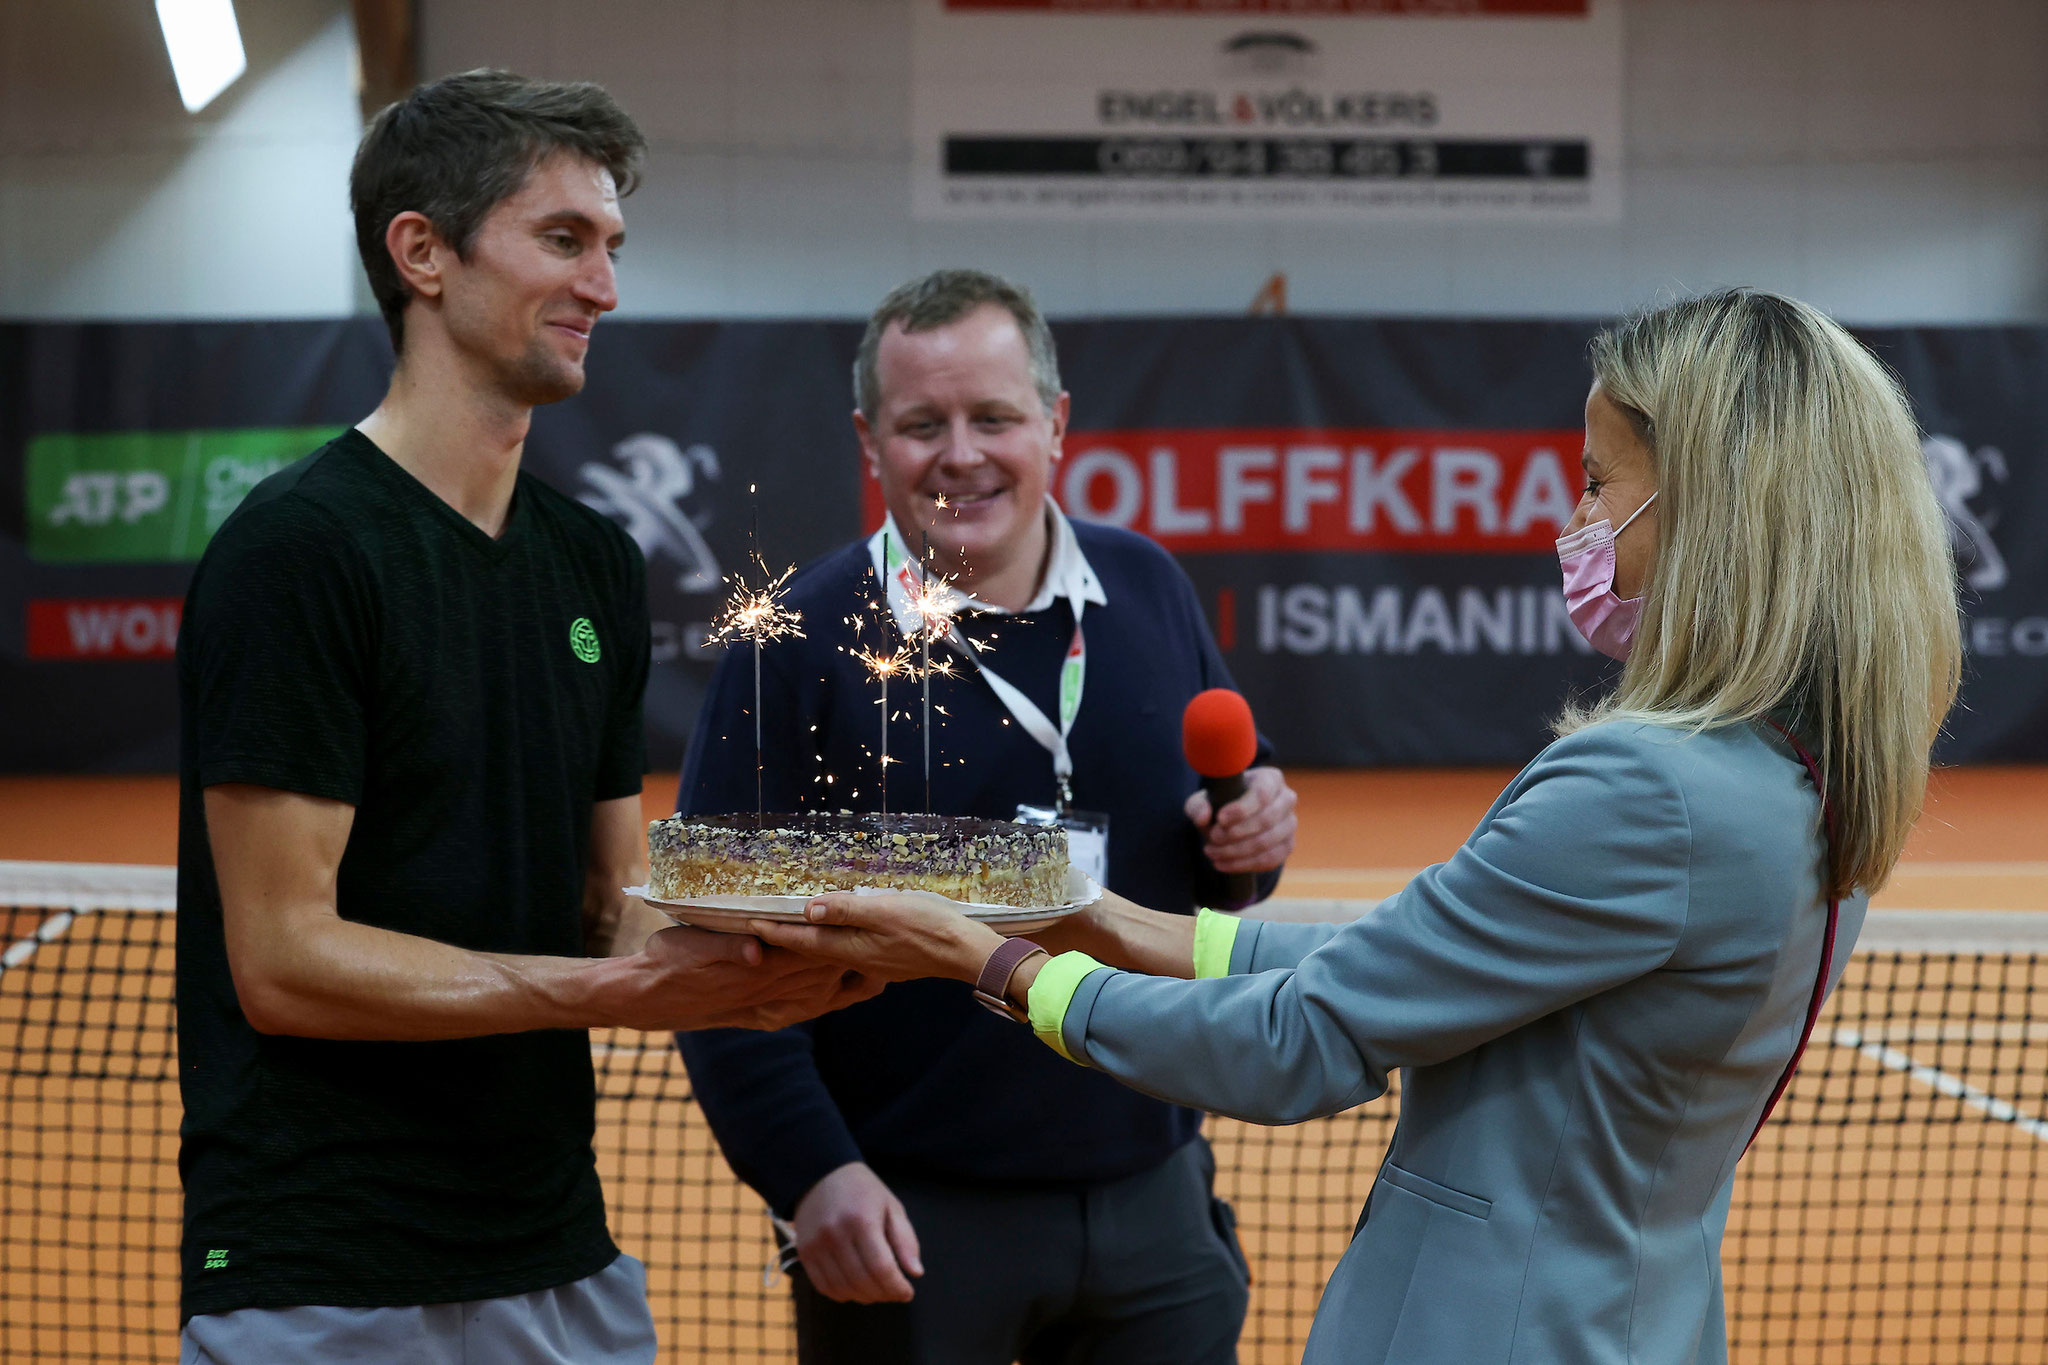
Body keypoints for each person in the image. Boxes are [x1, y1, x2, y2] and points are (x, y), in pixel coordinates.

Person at [751, 289, 1964, 1364]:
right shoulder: (1804, 775)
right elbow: (1408, 959)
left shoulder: (1641, 789)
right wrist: (1112, 920)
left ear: (1714, 512)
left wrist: (984, 958)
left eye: (1598, 481)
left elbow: (1301, 1043)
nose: (1575, 515)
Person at [174, 71, 873, 1365]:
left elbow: (609, 901)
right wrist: (617, 991)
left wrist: (810, 929)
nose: (605, 286)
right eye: (563, 240)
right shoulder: (302, 552)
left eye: (611, 247)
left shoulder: (592, 562)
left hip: (559, 1257)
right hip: (326, 1270)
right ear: (422, 253)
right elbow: (280, 959)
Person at [674, 269, 1301, 1364]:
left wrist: (1245, 850)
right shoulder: (792, 642)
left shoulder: (1146, 586)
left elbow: (1198, 875)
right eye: (922, 424)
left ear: (1053, 425)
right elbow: (716, 947)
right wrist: (810, 1172)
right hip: (909, 1217)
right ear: (871, 441)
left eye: (993, 417)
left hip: (1152, 1188)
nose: (960, 454)